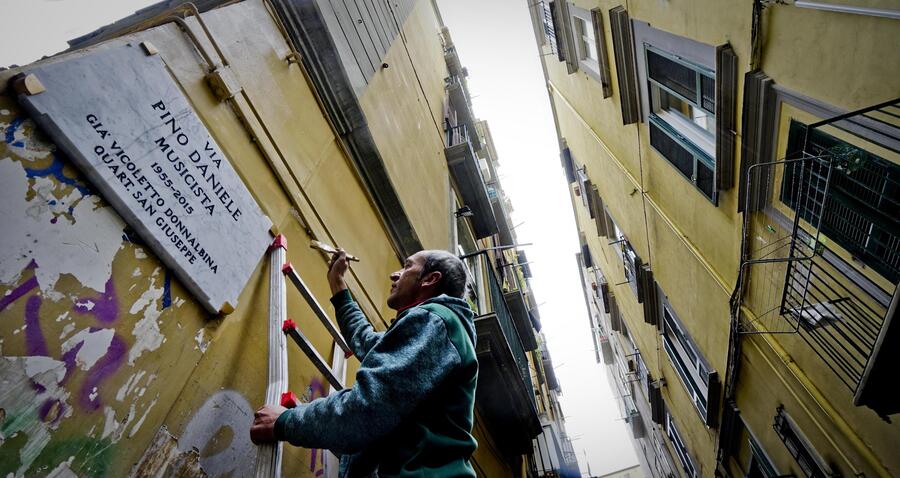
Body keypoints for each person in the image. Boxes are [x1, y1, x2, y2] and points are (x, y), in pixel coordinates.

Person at [250, 249, 479, 477]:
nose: (395, 274)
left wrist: (284, 422)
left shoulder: (433, 321)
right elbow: (366, 341)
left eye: (408, 266)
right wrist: (337, 283)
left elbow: (366, 408)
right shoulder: (436, 332)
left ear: (430, 279)